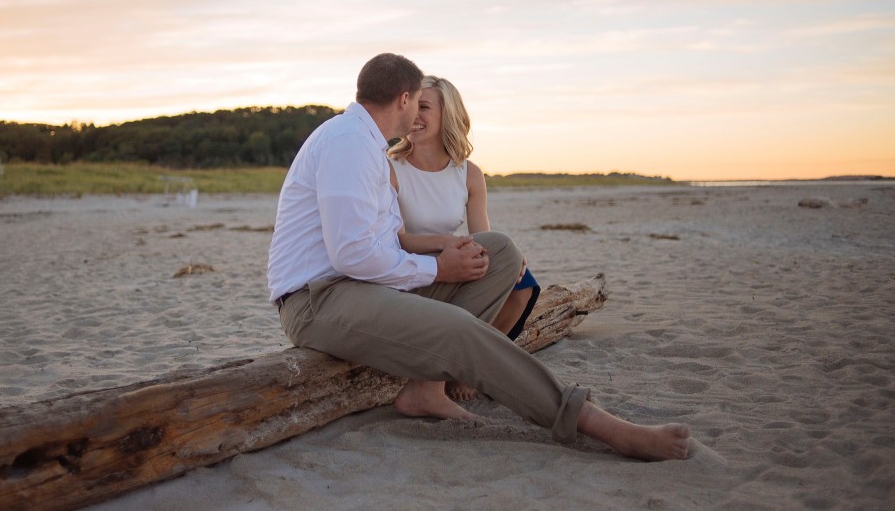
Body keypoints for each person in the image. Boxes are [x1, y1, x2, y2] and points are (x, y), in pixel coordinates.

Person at [267, 53, 690, 460]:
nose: (416, 111)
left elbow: (384, 240)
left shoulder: (368, 147)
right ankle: (593, 422)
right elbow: (351, 255)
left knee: (500, 251)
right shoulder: (348, 143)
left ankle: (425, 389)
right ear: (403, 99)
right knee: (458, 329)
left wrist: (443, 247)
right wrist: (436, 267)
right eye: (416, 100)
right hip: (317, 299)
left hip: (359, 286)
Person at [388, 75, 541, 343]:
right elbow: (398, 240)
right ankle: (454, 356)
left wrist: (508, 258)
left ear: (448, 114)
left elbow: (483, 236)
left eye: (423, 107)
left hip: (453, 259)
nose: (414, 114)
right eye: (411, 105)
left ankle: (473, 360)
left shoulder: (469, 174)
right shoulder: (389, 168)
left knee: (522, 283)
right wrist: (452, 247)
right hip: (411, 267)